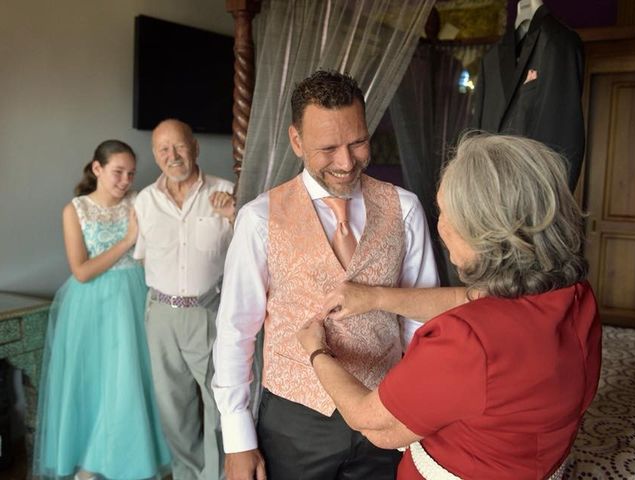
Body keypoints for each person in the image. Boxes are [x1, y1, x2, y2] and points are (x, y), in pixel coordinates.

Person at [298, 133, 602, 479]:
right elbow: (470, 300)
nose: (439, 227)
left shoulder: (466, 339)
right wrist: (377, 297)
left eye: (444, 213)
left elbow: (371, 422)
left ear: (484, 232)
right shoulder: (576, 295)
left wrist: (317, 351)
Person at [211, 69, 440, 480]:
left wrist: (417, 409)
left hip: (386, 411)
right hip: (294, 423)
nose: (346, 162)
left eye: (357, 142)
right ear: (296, 140)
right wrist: (237, 439)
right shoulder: (259, 218)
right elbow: (236, 331)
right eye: (328, 148)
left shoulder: (404, 208)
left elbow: (421, 319)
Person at [33, 140, 171, 480]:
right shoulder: (75, 209)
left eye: (131, 173)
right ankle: (90, 463)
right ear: (97, 169)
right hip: (90, 305)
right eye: (118, 172)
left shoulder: (139, 202)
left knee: (130, 382)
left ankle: (128, 461)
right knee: (96, 383)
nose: (125, 180)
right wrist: (127, 240)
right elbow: (81, 271)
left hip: (136, 297)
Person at [133, 119, 235, 480]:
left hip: (207, 312)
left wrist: (234, 215)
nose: (172, 155)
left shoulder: (226, 192)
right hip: (160, 315)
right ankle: (187, 474)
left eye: (178, 146)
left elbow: (252, 253)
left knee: (219, 404)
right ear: (155, 155)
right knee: (173, 408)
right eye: (163, 149)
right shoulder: (144, 201)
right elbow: (144, 256)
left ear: (194, 146)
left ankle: (217, 475)